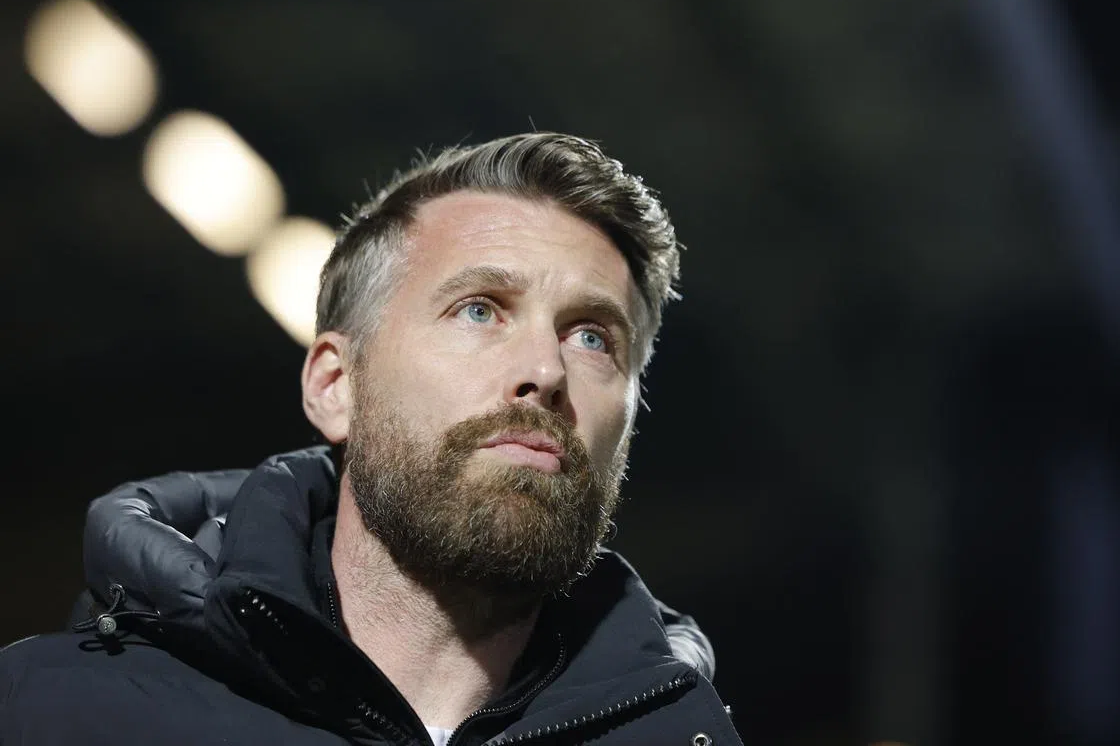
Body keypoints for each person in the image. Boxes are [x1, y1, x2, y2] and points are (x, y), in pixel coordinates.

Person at [0, 132, 743, 745]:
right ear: (336, 386)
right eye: (480, 310)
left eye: (591, 336)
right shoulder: (48, 714)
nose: (546, 370)